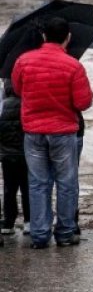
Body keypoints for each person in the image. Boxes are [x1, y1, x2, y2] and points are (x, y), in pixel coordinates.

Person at [12, 17, 93, 248]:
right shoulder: (73, 66)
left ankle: (39, 235)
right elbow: (83, 102)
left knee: (38, 183)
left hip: (33, 131)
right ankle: (65, 233)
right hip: (63, 132)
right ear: (68, 38)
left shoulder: (23, 61)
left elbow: (18, 89)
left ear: (44, 36)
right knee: (66, 182)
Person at [0, 80, 30, 237]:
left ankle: (8, 222)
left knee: (9, 190)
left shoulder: (3, 105)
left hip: (7, 155)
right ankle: (28, 222)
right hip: (25, 155)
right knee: (27, 188)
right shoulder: (27, 104)